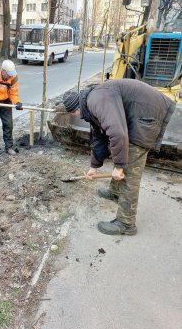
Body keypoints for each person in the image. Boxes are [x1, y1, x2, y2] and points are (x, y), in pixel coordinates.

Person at [63, 79, 176, 236]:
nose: (77, 117)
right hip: (139, 113)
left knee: (129, 170)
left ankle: (126, 223)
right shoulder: (91, 102)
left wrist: (119, 166)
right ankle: (116, 193)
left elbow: (117, 132)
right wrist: (93, 167)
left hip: (147, 115)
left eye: (73, 113)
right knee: (120, 154)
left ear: (76, 108)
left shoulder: (96, 100)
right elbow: (99, 136)